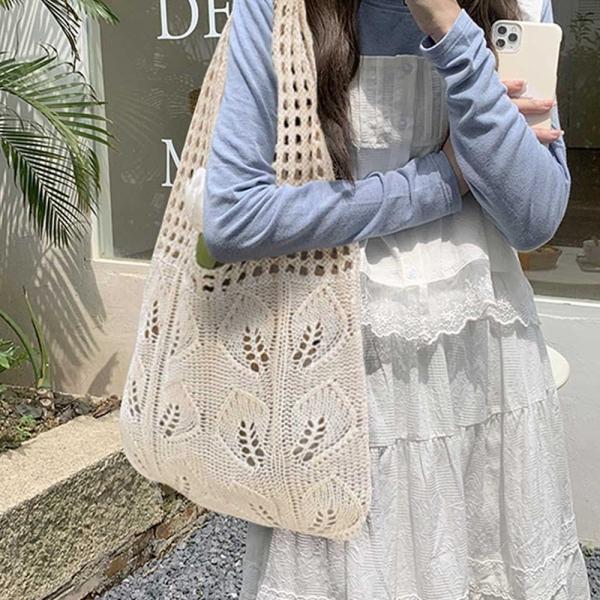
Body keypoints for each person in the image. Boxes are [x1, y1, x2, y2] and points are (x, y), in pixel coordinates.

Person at [203, 0, 592, 598]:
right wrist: (442, 179)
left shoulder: (516, 6)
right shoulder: (279, 9)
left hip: (485, 367)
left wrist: (449, 28)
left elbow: (534, 219)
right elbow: (233, 218)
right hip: (339, 377)